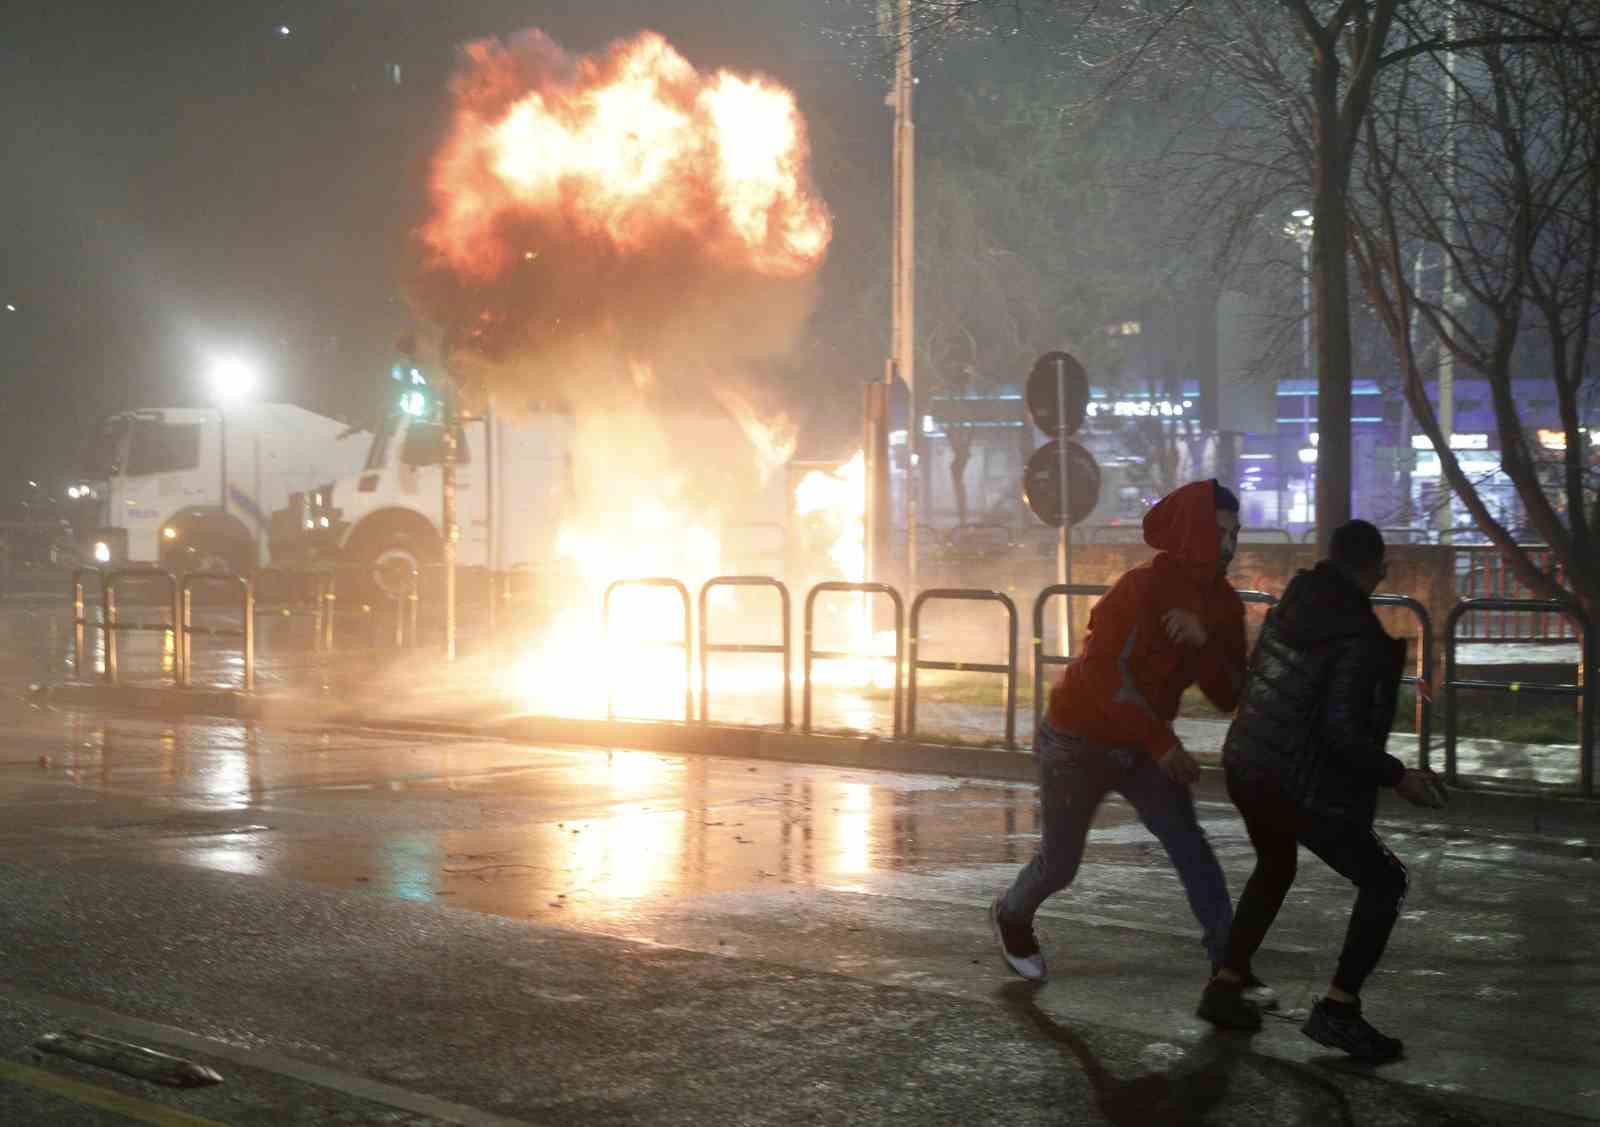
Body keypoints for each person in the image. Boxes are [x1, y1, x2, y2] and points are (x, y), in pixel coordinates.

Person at [990, 479, 1259, 1001]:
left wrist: (1203, 642)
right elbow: (1103, 678)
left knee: (1192, 849)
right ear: (1191, 533)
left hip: (1141, 747)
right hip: (1076, 740)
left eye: (1235, 534)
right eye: (1218, 532)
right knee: (1060, 863)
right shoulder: (1137, 591)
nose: (1228, 546)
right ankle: (1011, 914)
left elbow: (1229, 693)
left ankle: (1230, 968)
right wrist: (1162, 744)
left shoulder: (1223, 606)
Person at [1198, 519, 1446, 1059]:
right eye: (1380, 571)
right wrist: (1397, 775)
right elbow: (1340, 734)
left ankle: (1225, 984)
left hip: (1248, 763)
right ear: (1373, 569)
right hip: (1295, 780)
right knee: (1384, 880)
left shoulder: (1294, 602)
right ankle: (1339, 1009)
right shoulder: (1357, 633)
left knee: (1275, 864)